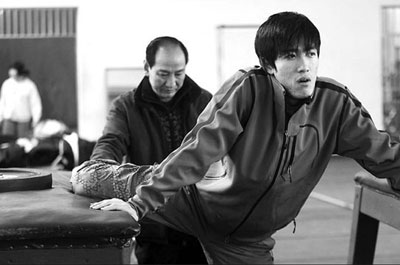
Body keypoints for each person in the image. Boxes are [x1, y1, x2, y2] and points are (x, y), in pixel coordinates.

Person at [71, 12, 400, 264]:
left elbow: (383, 154)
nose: (305, 66)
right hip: (191, 201)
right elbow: (197, 151)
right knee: (88, 180)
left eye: (311, 54)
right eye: (291, 56)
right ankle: (78, 167)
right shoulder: (247, 90)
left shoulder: (336, 106)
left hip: (246, 240)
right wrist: (138, 203)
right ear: (269, 64)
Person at [89, 36, 211, 264]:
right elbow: (110, 143)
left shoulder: (204, 102)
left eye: (179, 74)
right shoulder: (126, 107)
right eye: (163, 74)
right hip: (155, 228)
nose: (172, 83)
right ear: (147, 67)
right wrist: (99, 170)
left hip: (201, 226)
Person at [0, 61, 42, 138]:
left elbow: (35, 104)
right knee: (6, 141)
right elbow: (2, 102)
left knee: (22, 142)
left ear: (21, 74)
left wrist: (36, 119)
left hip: (23, 120)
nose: (13, 78)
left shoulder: (30, 86)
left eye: (15, 75)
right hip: (8, 119)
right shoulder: (7, 84)